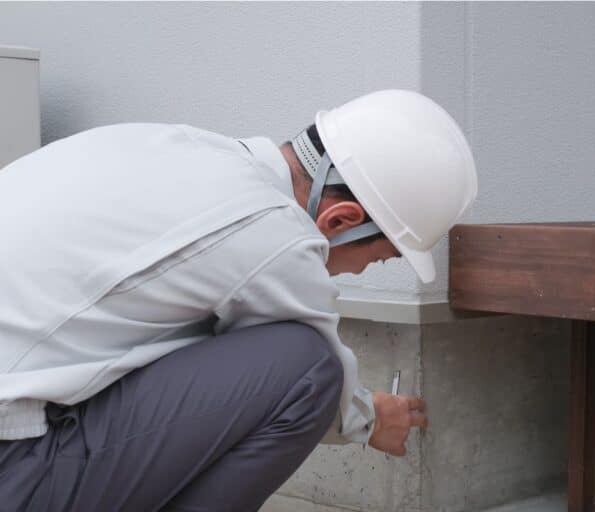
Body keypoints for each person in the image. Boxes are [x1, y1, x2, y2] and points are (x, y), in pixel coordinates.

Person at [0, 89, 477, 511]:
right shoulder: (272, 233)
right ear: (340, 220)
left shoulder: (184, 149)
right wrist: (371, 418)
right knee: (308, 370)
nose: (357, 271)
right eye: (375, 259)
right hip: (13, 463)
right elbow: (318, 378)